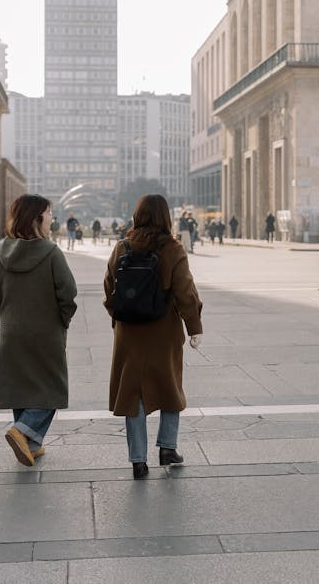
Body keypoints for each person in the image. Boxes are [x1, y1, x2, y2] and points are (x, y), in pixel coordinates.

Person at [104, 194, 203, 480]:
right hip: (164, 329)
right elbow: (186, 291)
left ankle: (138, 460)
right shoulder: (173, 248)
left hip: (129, 333)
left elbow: (108, 286)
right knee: (170, 385)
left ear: (138, 215)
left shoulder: (121, 247)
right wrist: (194, 327)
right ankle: (167, 448)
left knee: (132, 391)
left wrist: (119, 315)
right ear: (165, 217)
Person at [0, 194, 77, 466]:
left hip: (10, 331)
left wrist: (5, 317)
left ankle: (31, 445)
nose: (51, 218)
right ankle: (22, 431)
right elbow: (68, 295)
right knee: (53, 388)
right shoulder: (51, 253)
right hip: (46, 332)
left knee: (20, 385)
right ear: (37, 218)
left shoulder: (0, 253)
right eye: (48, 213)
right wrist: (62, 321)